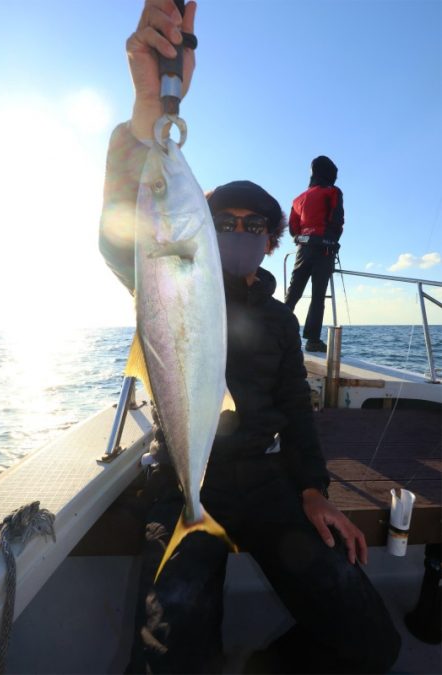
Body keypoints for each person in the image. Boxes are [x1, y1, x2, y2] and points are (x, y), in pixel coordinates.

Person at [99, 1, 400, 673]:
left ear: (270, 242)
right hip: (184, 480)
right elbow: (121, 234)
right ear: (200, 232)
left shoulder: (281, 320)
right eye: (223, 222)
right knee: (172, 646)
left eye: (251, 225)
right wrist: (148, 105)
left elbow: (297, 410)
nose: (237, 232)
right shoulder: (169, 270)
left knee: (372, 640)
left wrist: (315, 488)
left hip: (267, 480)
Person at [285, 156, 344, 353]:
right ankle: (312, 340)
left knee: (294, 292)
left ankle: (278, 331)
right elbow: (337, 219)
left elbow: (293, 227)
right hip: (324, 248)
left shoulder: (298, 199)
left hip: (303, 249)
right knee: (318, 295)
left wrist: (304, 236)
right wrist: (333, 239)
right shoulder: (332, 192)